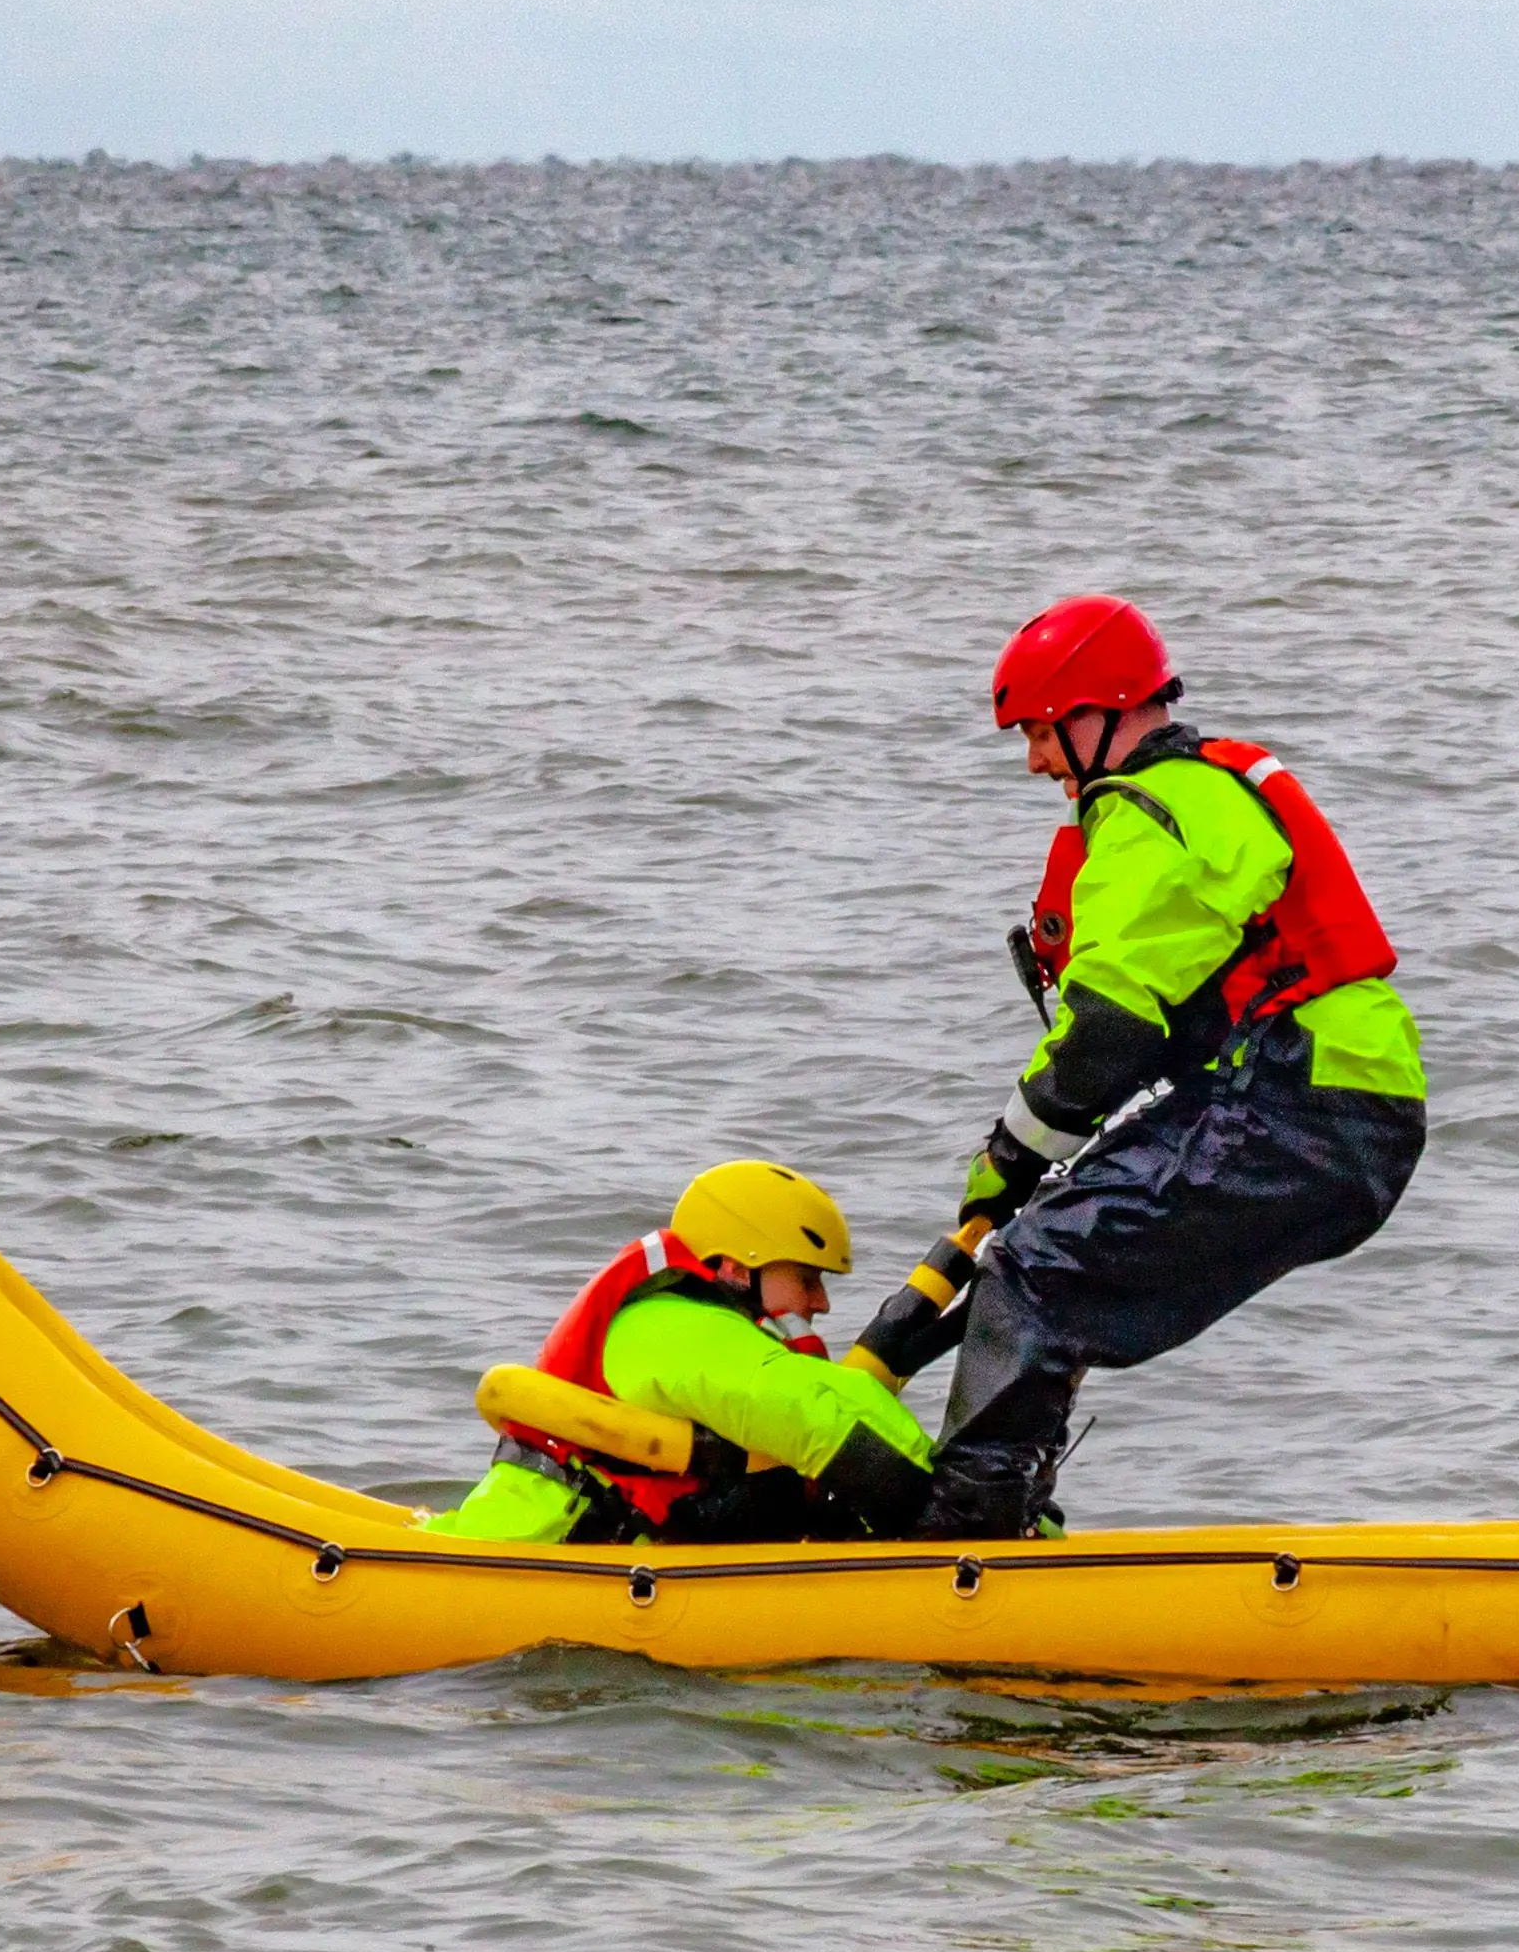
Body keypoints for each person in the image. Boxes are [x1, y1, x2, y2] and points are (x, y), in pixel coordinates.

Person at [851, 594, 1426, 1539]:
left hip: (1305, 1104)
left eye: (1039, 732)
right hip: (1317, 1096)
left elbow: (1108, 1029)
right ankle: (1007, 1510)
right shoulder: (1199, 791)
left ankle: (969, 1531)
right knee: (1043, 1255)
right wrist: (1030, 1168)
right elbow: (1140, 1028)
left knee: (1034, 1272)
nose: (1034, 760)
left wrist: (1009, 1148)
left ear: (1100, 713)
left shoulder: (1149, 816)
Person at [427, 1158, 935, 1544]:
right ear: (738, 1268)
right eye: (806, 1279)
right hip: (530, 1551)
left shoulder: (693, 1324)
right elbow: (804, 1412)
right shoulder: (672, 1325)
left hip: (576, 1547)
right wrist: (936, 1501)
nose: (820, 1302)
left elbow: (830, 1393)